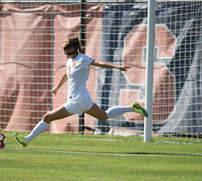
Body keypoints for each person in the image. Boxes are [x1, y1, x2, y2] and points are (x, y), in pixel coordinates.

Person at [14, 37, 148, 147]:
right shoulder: (70, 61)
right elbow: (67, 75)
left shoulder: (83, 59)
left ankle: (26, 140)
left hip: (76, 101)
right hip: (84, 98)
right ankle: (132, 108)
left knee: (47, 117)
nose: (64, 50)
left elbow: (99, 63)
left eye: (66, 48)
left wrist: (117, 66)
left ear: (72, 48)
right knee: (103, 116)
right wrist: (57, 87)